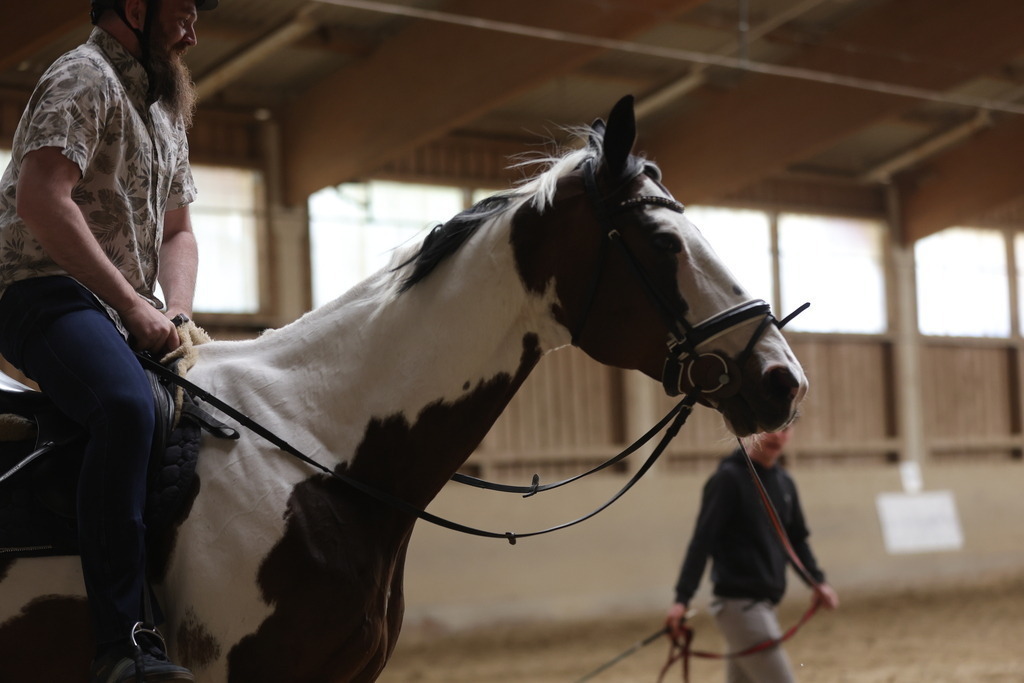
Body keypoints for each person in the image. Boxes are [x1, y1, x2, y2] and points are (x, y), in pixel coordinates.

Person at [0, 0, 216, 680]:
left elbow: (179, 231)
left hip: (121, 308)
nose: (192, 29)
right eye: (180, 11)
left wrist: (175, 313)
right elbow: (41, 196)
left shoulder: (163, 113)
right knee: (124, 405)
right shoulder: (81, 77)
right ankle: (120, 646)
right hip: (40, 291)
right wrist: (132, 304)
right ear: (133, 6)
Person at [665, 427, 839, 683]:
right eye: (771, 429)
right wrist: (682, 598)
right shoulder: (727, 480)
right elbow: (702, 541)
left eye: (786, 429)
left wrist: (817, 581)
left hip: (765, 605)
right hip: (741, 608)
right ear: (751, 432)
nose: (778, 435)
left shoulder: (784, 482)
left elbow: (796, 540)